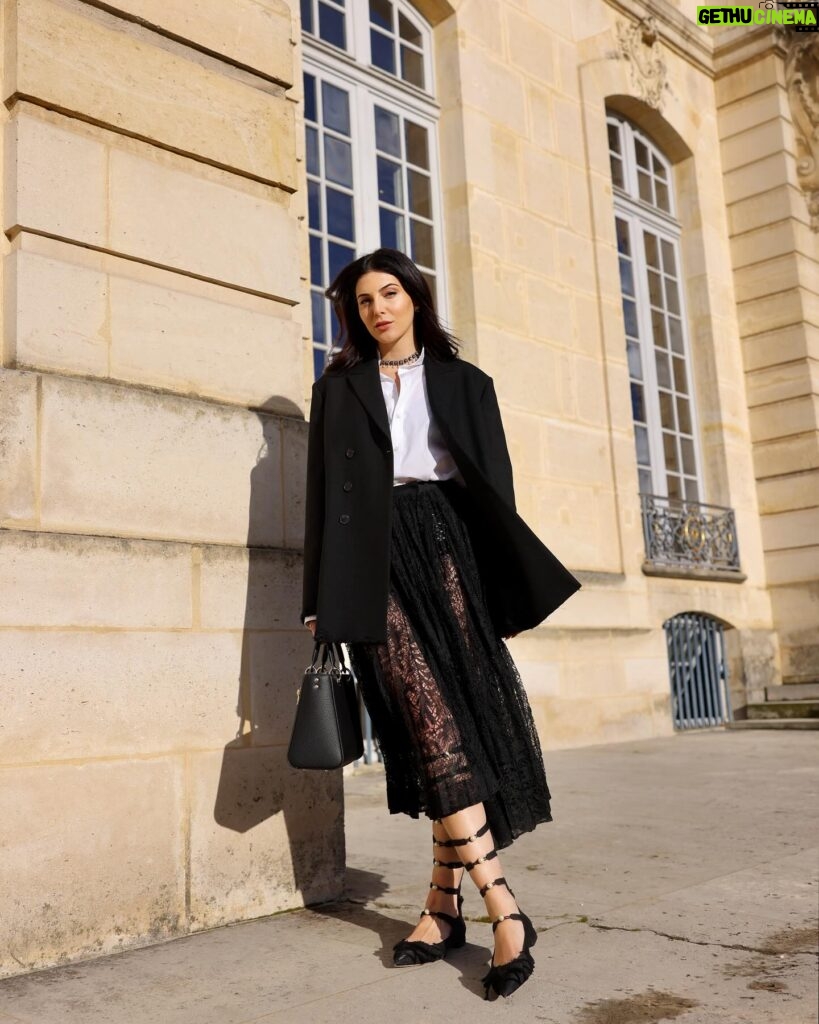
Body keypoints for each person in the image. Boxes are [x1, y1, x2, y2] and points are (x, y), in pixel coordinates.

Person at [300, 247, 581, 999]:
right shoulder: (338, 389)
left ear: (415, 298)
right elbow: (321, 497)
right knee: (426, 721)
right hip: (368, 561)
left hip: (447, 547)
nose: (378, 309)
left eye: (389, 294)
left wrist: (500, 592)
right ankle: (503, 906)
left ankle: (439, 905)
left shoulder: (464, 383)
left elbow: (497, 495)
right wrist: (317, 597)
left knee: (448, 720)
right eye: (363, 302)